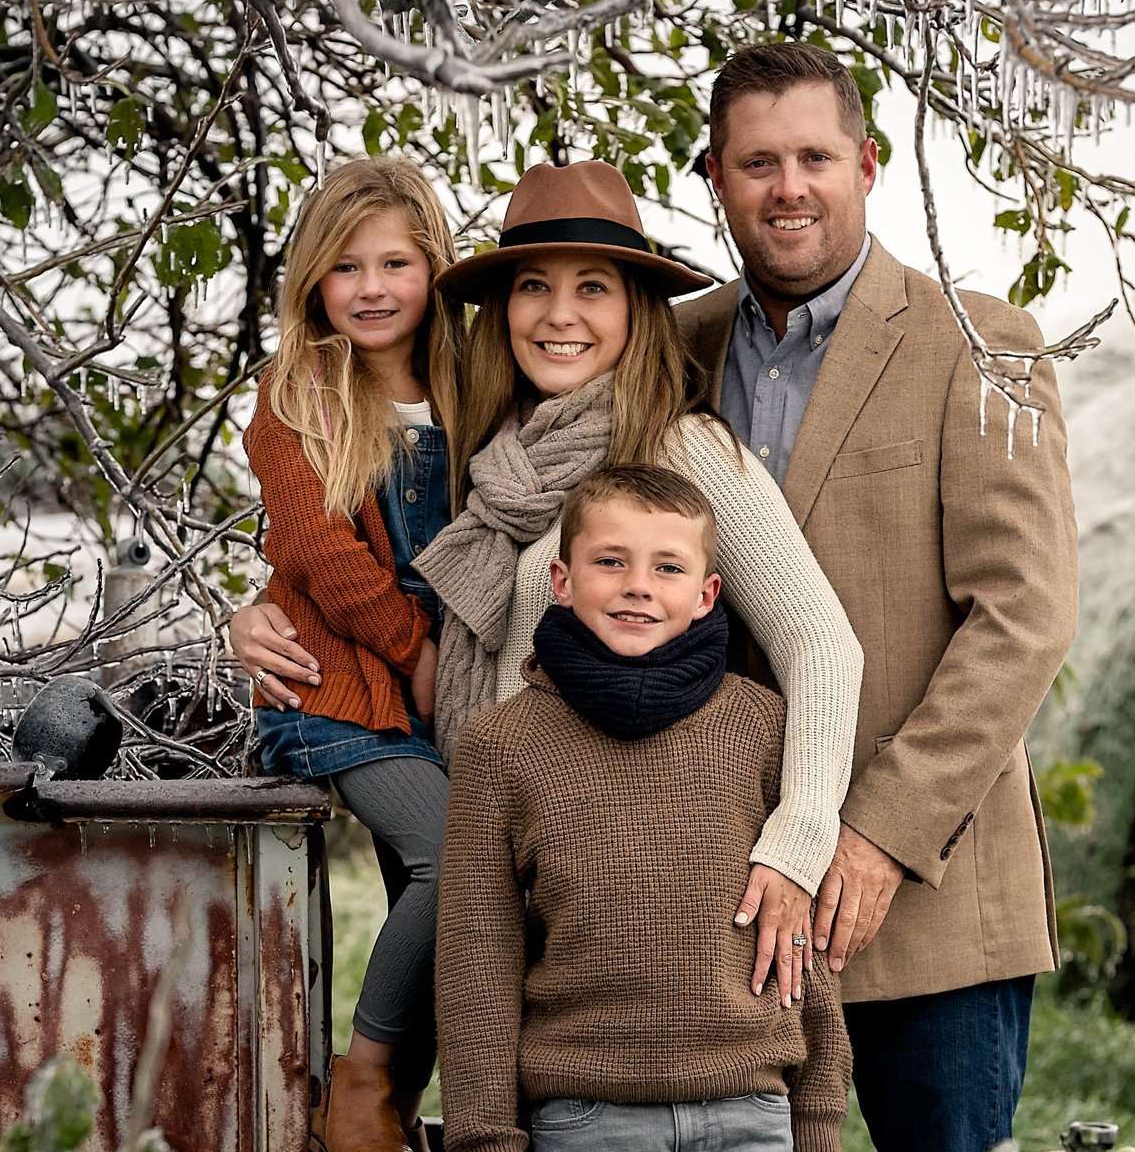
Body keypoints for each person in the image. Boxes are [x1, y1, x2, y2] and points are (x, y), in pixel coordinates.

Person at [681, 40, 1078, 1152]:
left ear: (865, 165)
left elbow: (1023, 618)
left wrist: (879, 835)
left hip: (926, 896)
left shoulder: (986, 340)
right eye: (755, 164)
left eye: (810, 158)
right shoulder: (668, 352)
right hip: (739, 898)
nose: (786, 189)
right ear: (719, 182)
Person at [235, 157, 863, 1006]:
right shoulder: (492, 454)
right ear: (501, 311)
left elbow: (818, 641)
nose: (559, 315)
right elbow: (342, 547)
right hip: (508, 880)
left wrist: (797, 839)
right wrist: (256, 615)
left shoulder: (678, 451)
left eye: (593, 288)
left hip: (631, 896)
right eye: (533, 286)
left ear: (634, 310)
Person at [437, 464, 848, 1152]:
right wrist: (486, 1136)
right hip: (586, 1126)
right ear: (562, 581)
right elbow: (477, 956)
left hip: (742, 1117)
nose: (637, 585)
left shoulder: (760, 724)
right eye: (610, 561)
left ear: (710, 593)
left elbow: (800, 932)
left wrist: (820, 1103)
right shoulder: (502, 747)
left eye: (668, 566)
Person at [240, 157, 469, 1152]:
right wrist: (415, 653)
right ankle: (360, 1081)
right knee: (452, 856)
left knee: (429, 891)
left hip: (443, 689)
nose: (370, 287)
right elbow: (320, 551)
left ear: (433, 266)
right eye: (344, 267)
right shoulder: (296, 395)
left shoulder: (474, 382)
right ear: (313, 282)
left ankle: (408, 1109)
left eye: (394, 262)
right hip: (334, 690)